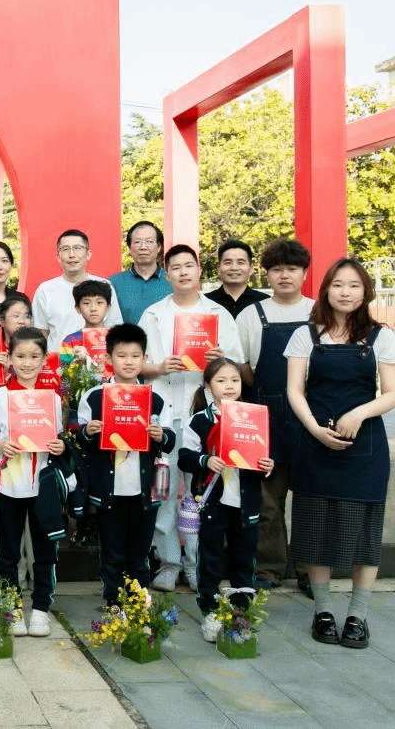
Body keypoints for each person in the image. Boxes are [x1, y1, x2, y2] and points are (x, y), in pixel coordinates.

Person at [286, 258, 395, 650]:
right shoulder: (305, 334)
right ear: (326, 290)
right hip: (315, 444)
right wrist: (314, 429)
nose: (346, 292)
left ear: (365, 291)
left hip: (364, 449)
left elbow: (391, 394)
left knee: (364, 534)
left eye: (353, 285)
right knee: (315, 530)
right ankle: (323, 612)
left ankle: (357, 616)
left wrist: (358, 414)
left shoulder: (381, 337)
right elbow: (294, 390)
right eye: (338, 285)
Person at [139, 244, 245, 592]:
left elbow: (236, 367)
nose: (183, 272)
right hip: (166, 415)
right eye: (176, 267)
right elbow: (136, 364)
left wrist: (220, 359)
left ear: (199, 271)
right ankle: (169, 563)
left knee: (201, 493)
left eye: (189, 266)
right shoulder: (153, 314)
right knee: (165, 490)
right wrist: (159, 366)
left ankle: (197, 566)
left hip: (207, 416)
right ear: (166, 274)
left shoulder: (218, 314)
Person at [76, 324, 176, 609]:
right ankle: (113, 602)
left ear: (145, 359)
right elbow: (80, 438)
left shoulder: (155, 398)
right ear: (108, 358)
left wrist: (160, 435)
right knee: (112, 548)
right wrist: (89, 431)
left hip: (144, 488)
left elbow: (170, 440)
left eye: (135, 356)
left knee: (140, 549)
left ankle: (138, 601)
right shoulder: (95, 396)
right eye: (121, 356)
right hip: (110, 488)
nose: (129, 362)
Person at [0, 327, 72, 637]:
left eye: (34, 356)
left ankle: (41, 609)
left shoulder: (52, 399)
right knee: (9, 551)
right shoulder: (0, 396)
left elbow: (58, 438)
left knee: (45, 550)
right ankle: (12, 607)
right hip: (9, 483)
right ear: (9, 359)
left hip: (42, 485)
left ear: (45, 360)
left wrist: (59, 446)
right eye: (20, 356)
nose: (27, 363)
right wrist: (0, 444)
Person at [236, 238, 314, 593]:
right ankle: (269, 568)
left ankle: (310, 572)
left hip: (312, 417)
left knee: (309, 499)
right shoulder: (252, 315)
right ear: (266, 274)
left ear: (304, 273)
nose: (284, 276)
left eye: (292, 269)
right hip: (265, 417)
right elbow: (243, 367)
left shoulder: (319, 313)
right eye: (277, 269)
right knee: (267, 500)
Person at [178, 358, 274, 642]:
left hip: (245, 503)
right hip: (213, 503)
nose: (229, 386)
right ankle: (210, 611)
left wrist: (267, 466)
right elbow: (184, 457)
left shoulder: (254, 417)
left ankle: (241, 614)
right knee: (209, 558)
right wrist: (205, 460)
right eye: (221, 380)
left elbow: (262, 457)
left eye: (234, 380)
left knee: (244, 559)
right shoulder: (200, 420)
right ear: (208, 386)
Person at [31, 229, 123, 344]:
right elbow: (41, 333)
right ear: (58, 257)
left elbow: (114, 328)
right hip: (59, 355)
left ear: (88, 254)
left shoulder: (104, 286)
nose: (72, 255)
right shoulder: (45, 290)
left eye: (77, 248)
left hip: (98, 354)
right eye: (65, 249)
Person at [108, 221, 171, 325]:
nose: (143, 247)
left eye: (149, 242)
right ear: (129, 248)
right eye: (137, 242)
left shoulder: (172, 280)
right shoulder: (114, 283)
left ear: (159, 247)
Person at [205, 239, 269, 318]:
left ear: (251, 269)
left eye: (240, 263)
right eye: (228, 263)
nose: (234, 268)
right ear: (218, 268)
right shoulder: (205, 302)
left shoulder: (265, 302)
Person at [58, 279, 114, 367]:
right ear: (78, 308)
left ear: (108, 307)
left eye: (99, 302)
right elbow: (63, 372)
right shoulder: (70, 341)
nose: (93, 308)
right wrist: (76, 363)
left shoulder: (118, 338)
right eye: (86, 303)